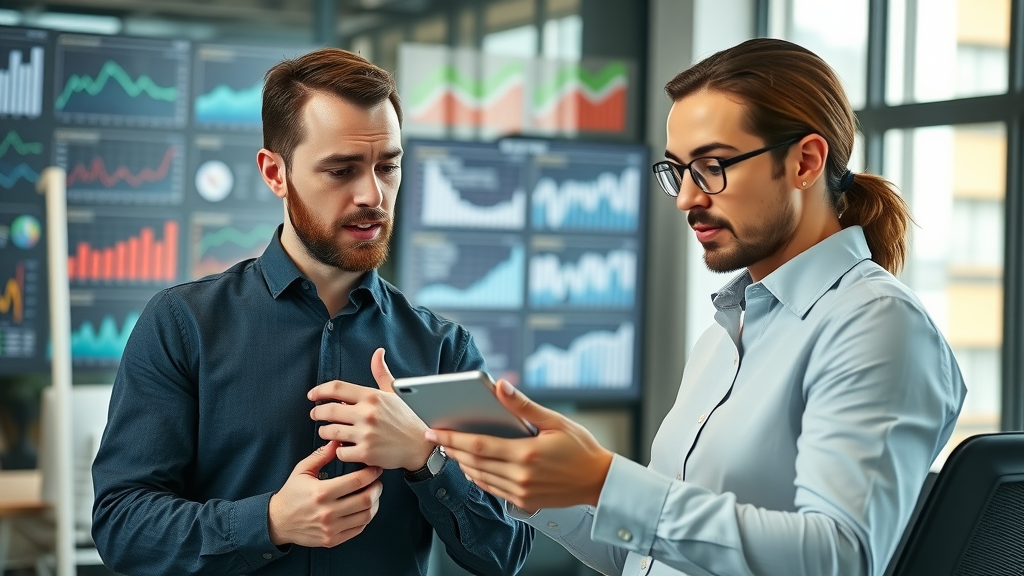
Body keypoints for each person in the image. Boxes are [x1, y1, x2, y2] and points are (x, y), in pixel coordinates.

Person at [426, 38, 966, 576]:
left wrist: (604, 481)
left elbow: (838, 558)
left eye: (712, 165)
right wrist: (539, 480)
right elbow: (644, 556)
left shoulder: (876, 325)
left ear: (805, 162)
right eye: (678, 171)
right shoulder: (725, 334)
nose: (687, 198)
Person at [91, 48, 532, 576]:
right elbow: (122, 526)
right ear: (274, 173)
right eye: (341, 170)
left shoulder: (443, 349)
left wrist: (425, 456)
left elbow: (508, 550)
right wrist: (270, 522)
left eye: (388, 166)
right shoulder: (182, 325)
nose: (372, 195)